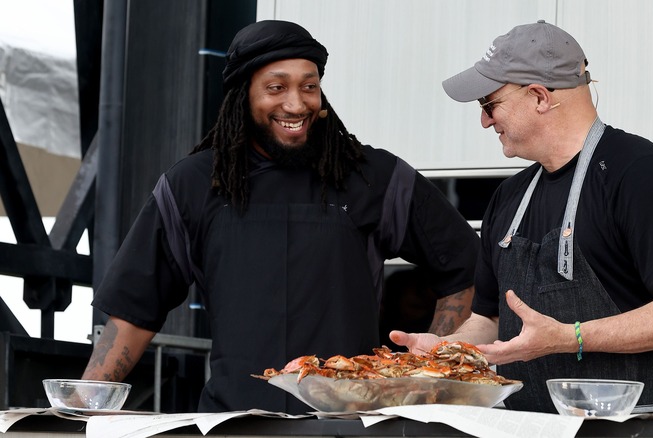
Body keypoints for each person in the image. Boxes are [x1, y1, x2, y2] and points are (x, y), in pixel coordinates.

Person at [81, 20, 479, 414]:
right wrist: (80, 411)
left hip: (349, 424)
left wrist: (425, 373)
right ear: (243, 95)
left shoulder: (373, 176)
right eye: (276, 87)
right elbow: (134, 309)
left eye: (309, 86)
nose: (296, 103)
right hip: (231, 423)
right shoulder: (194, 184)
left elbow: (467, 267)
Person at [390, 20, 653, 415]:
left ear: (540, 97)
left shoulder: (639, 172)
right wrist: (449, 351)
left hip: (640, 425)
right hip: (532, 426)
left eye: (488, 104)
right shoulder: (508, 197)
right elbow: (492, 320)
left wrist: (570, 337)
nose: (484, 120)